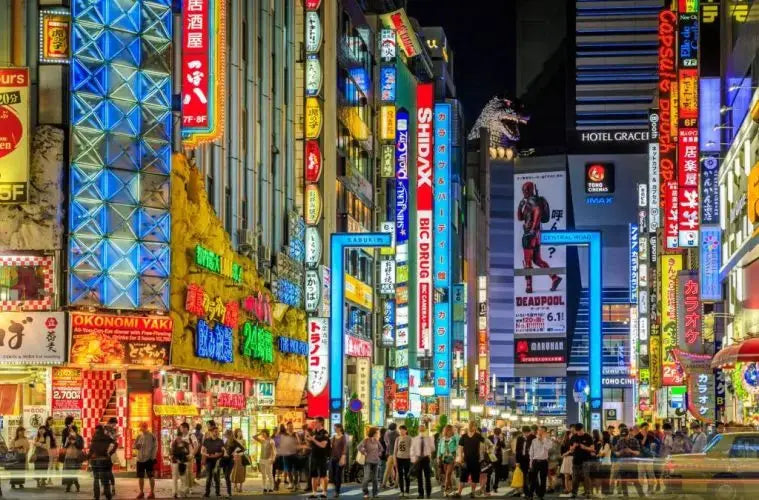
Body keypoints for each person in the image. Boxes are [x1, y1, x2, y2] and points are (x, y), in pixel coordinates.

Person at [517, 180, 562, 294]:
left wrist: (532, 229)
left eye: (525, 190)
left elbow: (537, 213)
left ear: (530, 190)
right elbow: (520, 218)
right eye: (523, 190)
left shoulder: (533, 201)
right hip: (535, 234)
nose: (524, 192)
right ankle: (554, 277)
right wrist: (520, 206)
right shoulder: (528, 202)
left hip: (530, 234)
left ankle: (529, 286)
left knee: (528, 261)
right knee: (537, 260)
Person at [453, 421, 484, 499]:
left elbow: (483, 446)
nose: (473, 427)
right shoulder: (463, 436)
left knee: (475, 477)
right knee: (463, 477)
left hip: (476, 459)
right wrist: (460, 458)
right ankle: (459, 493)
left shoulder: (478, 436)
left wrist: (481, 456)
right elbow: (460, 448)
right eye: (472, 425)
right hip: (465, 459)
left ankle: (473, 493)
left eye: (474, 426)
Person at [613, 426, 644, 498]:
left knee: (635, 480)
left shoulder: (634, 440)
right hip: (622, 463)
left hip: (632, 463)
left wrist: (630, 451)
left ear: (628, 434)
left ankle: (641, 495)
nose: (624, 437)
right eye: (622, 436)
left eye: (625, 436)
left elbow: (638, 452)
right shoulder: (619, 441)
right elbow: (616, 453)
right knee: (623, 481)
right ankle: (625, 496)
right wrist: (620, 452)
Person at [88, 425, 116, 500]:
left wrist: (88, 458)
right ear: (103, 430)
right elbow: (115, 444)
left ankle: (96, 497)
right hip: (105, 461)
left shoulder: (94, 438)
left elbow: (91, 450)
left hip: (95, 461)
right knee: (106, 480)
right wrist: (109, 453)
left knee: (96, 479)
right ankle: (108, 496)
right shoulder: (107, 438)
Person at [568, 423, 594, 499]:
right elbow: (571, 450)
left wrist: (584, 447)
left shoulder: (588, 436)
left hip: (586, 460)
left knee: (586, 477)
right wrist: (574, 446)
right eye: (577, 431)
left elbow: (592, 449)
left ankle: (588, 492)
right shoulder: (573, 437)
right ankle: (574, 493)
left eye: (580, 430)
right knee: (575, 478)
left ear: (583, 429)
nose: (579, 432)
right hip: (576, 460)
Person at [308, 416, 331, 499]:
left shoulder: (324, 432)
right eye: (314, 422)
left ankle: (324, 493)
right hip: (313, 456)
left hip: (322, 456)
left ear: (321, 422)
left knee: (323, 475)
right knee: (313, 475)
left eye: (316, 422)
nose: (315, 423)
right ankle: (314, 493)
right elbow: (311, 444)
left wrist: (313, 440)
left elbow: (323, 445)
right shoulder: (313, 432)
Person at [134, 421, 158, 499]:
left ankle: (152, 492)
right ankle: (141, 492)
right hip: (140, 459)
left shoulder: (152, 436)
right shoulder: (139, 436)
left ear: (146, 427)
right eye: (141, 426)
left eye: (143, 426)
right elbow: (135, 446)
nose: (142, 428)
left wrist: (152, 457)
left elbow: (155, 447)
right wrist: (136, 446)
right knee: (140, 477)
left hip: (149, 459)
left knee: (151, 476)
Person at [410, 424, 434, 499]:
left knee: (427, 477)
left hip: (426, 458)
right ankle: (421, 494)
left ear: (425, 430)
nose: (422, 430)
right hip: (418, 459)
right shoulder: (415, 439)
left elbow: (433, 448)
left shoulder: (429, 438)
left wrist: (430, 440)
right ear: (418, 430)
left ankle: (428, 493)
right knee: (419, 477)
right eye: (420, 429)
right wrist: (413, 459)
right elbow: (412, 450)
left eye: (423, 429)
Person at [358, 427, 382, 500]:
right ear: (374, 433)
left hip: (376, 461)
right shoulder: (366, 440)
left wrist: (379, 453)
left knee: (375, 478)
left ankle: (375, 493)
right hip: (368, 461)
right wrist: (364, 451)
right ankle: (366, 492)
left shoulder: (376, 441)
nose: (379, 434)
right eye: (378, 433)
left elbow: (381, 448)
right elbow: (359, 447)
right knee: (366, 477)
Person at [201, 424, 225, 498]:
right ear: (211, 432)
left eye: (218, 432)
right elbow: (202, 451)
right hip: (209, 460)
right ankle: (207, 493)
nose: (217, 433)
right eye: (215, 431)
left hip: (217, 461)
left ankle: (218, 492)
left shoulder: (220, 441)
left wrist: (218, 455)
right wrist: (207, 454)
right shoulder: (206, 441)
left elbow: (223, 451)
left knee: (216, 477)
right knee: (208, 477)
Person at [528, 426, 552, 500]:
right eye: (539, 430)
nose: (540, 432)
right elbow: (531, 452)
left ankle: (541, 495)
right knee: (533, 479)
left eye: (542, 431)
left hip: (544, 461)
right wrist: (530, 463)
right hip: (535, 461)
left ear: (545, 432)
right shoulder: (534, 441)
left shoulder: (548, 440)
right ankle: (531, 494)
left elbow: (548, 448)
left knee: (543, 479)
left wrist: (543, 440)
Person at [170, 426, 191, 499]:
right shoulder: (174, 444)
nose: (179, 439)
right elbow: (172, 454)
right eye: (178, 438)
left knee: (183, 478)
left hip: (183, 462)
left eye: (180, 437)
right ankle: (174, 492)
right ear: (176, 437)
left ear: (182, 437)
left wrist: (186, 453)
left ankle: (183, 492)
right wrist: (177, 459)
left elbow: (188, 452)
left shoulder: (185, 443)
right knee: (175, 478)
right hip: (175, 462)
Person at [62, 424, 84, 493]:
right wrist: (68, 442)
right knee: (69, 472)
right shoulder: (68, 437)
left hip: (76, 457)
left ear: (75, 431)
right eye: (70, 431)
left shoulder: (79, 437)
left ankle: (74, 486)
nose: (71, 432)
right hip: (68, 456)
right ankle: (71, 486)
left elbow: (81, 447)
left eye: (72, 430)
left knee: (74, 472)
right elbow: (65, 447)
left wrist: (74, 443)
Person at [516, 425, 535, 498]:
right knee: (524, 476)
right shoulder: (520, 438)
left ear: (529, 432)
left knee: (532, 476)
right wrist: (517, 461)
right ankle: (526, 492)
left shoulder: (533, 438)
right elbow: (517, 450)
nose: (526, 434)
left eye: (527, 432)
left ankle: (532, 491)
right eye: (524, 433)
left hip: (531, 459)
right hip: (522, 459)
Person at [438, 425, 458, 495]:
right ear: (446, 431)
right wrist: (438, 457)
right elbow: (439, 448)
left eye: (451, 430)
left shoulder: (454, 438)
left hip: (452, 457)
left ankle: (445, 490)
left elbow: (458, 444)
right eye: (448, 430)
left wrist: (456, 433)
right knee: (448, 475)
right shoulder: (442, 439)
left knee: (448, 474)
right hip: (444, 457)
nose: (449, 431)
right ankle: (451, 489)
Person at [329, 423, 348, 498]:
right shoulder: (333, 437)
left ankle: (337, 491)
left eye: (335, 427)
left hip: (340, 458)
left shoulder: (344, 437)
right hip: (333, 458)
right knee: (333, 475)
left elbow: (345, 448)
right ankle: (336, 488)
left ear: (340, 428)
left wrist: (343, 457)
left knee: (338, 475)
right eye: (334, 428)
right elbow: (330, 446)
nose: (334, 429)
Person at [394, 424, 413, 498]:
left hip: (407, 458)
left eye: (402, 430)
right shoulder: (397, 439)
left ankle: (407, 491)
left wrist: (412, 458)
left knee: (407, 475)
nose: (401, 431)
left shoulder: (409, 438)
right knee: (400, 475)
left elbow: (412, 449)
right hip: (399, 458)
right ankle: (401, 491)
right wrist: (395, 459)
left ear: (406, 431)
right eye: (400, 430)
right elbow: (395, 450)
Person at [278, 424, 297, 491]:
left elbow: (298, 442)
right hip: (286, 454)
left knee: (295, 470)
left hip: (294, 454)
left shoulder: (295, 434)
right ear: (287, 428)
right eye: (289, 427)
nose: (290, 428)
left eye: (291, 427)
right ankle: (291, 483)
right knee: (288, 470)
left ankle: (296, 484)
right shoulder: (284, 435)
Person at [489, 427, 508, 494]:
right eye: (496, 434)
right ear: (494, 433)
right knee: (489, 472)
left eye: (498, 434)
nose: (497, 435)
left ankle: (495, 487)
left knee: (497, 472)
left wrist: (501, 439)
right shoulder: (490, 437)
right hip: (490, 456)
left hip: (498, 457)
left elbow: (504, 446)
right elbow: (487, 446)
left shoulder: (501, 438)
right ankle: (488, 487)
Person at [104, 417, 119, 497]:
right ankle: (111, 488)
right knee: (108, 471)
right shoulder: (107, 429)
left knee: (106, 471)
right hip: (107, 452)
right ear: (111, 422)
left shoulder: (106, 429)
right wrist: (114, 437)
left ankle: (108, 489)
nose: (115, 426)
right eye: (114, 424)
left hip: (106, 452)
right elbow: (112, 439)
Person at [478, 430, 495, 497]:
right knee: (480, 476)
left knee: (485, 475)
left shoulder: (486, 440)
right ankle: (484, 491)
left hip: (485, 460)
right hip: (477, 460)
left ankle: (481, 489)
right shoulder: (474, 440)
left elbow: (492, 446)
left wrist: (488, 450)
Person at [382, 422, 398, 488]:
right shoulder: (397, 434)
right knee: (398, 470)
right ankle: (396, 484)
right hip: (396, 454)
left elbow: (387, 444)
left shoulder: (386, 434)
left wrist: (387, 452)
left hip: (389, 454)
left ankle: (384, 483)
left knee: (387, 470)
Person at [559, 427, 574, 497]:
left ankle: (570, 489)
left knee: (569, 476)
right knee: (567, 475)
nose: (572, 436)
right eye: (570, 434)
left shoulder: (572, 443)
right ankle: (568, 489)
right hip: (568, 459)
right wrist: (569, 452)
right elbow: (561, 455)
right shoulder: (564, 444)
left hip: (570, 459)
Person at [43, 416, 57, 485]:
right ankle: (46, 479)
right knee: (48, 464)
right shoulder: (45, 428)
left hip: (53, 447)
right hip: (48, 448)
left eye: (52, 420)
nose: (52, 422)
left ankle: (49, 479)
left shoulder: (51, 429)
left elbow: (54, 438)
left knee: (51, 464)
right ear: (47, 420)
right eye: (51, 420)